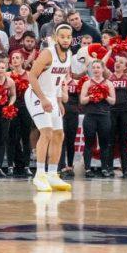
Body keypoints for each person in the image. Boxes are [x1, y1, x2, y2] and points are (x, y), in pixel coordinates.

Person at [24, 24, 74, 192]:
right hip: (36, 94)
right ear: (56, 37)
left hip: (52, 96)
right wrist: (43, 98)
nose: (66, 39)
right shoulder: (48, 53)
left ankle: (52, 174)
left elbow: (59, 79)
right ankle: (39, 174)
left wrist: (58, 100)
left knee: (59, 134)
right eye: (62, 36)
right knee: (46, 132)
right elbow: (32, 75)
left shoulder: (69, 55)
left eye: (68, 37)